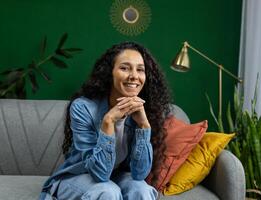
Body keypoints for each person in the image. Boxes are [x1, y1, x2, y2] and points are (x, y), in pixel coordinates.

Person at [39, 41, 171, 200]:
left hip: (116, 176)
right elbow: (100, 174)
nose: (134, 76)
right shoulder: (83, 108)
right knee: (107, 191)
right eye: (124, 68)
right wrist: (108, 122)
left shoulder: (145, 110)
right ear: (109, 73)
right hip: (80, 175)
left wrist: (144, 126)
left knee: (141, 189)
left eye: (140, 70)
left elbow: (139, 174)